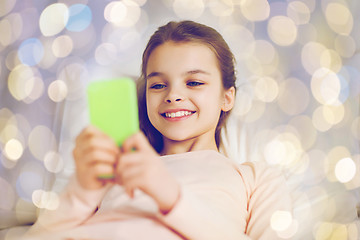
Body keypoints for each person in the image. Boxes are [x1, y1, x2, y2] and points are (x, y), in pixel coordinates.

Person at [24, 20, 292, 240]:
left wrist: (170, 194)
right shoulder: (115, 173)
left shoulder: (254, 178)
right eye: (158, 85)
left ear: (227, 97)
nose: (174, 95)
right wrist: (81, 192)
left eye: (195, 82)